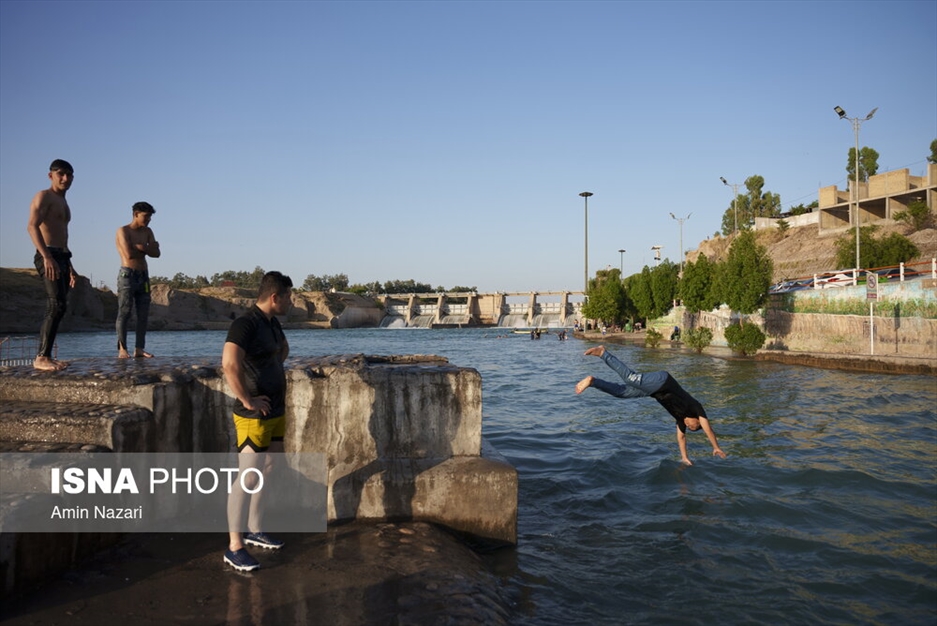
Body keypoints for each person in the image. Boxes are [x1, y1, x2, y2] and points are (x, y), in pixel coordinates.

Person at [222, 271, 294, 572]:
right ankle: (234, 545)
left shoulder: (272, 323)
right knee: (248, 477)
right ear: (275, 297)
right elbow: (229, 363)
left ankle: (255, 529)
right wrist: (249, 399)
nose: (292, 302)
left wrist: (271, 370)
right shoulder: (245, 324)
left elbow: (283, 351)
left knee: (268, 468)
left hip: (275, 410)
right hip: (254, 414)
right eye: (289, 296)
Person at [575, 345, 726, 465]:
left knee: (621, 393)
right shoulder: (695, 407)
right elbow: (709, 429)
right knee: (630, 378)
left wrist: (684, 457)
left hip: (653, 391)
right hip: (662, 381)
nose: (688, 425)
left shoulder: (681, 419)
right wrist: (716, 447)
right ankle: (603, 353)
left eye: (689, 428)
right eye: (693, 426)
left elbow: (681, 439)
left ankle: (593, 382)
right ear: (697, 420)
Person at [27, 159, 78, 371]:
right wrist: (46, 256)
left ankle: (46, 356)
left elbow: (62, 237)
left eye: (69, 175)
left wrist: (71, 267)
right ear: (51, 175)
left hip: (63, 256)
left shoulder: (63, 202)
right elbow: (32, 226)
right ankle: (41, 357)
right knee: (55, 304)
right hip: (48, 254)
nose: (65, 178)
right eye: (60, 174)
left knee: (61, 306)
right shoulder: (44, 196)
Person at [115, 202, 160, 358]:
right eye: (145, 216)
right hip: (127, 275)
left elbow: (157, 253)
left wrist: (141, 247)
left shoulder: (148, 231)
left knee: (143, 314)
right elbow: (129, 254)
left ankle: (139, 349)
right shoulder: (123, 231)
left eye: (150, 217)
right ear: (136, 214)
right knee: (125, 312)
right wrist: (148, 248)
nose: (148, 220)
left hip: (144, 275)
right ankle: (122, 349)